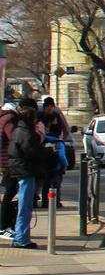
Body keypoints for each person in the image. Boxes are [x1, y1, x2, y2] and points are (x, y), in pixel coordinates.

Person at [7, 100, 49, 249]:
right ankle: (21, 239)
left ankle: (21, 237)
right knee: (25, 207)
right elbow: (32, 153)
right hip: (25, 171)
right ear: (31, 119)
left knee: (24, 206)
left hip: (21, 170)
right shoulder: (26, 133)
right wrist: (48, 151)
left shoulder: (19, 130)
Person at [38, 97, 72, 209]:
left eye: (51, 106)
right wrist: (65, 165)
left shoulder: (45, 140)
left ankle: (45, 203)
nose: (49, 108)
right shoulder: (58, 142)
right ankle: (56, 202)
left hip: (46, 166)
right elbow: (61, 155)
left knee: (46, 185)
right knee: (56, 185)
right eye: (47, 106)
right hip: (57, 167)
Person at [0, 99, 19, 240]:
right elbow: (14, 138)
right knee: (9, 194)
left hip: (4, 161)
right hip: (8, 161)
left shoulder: (3, 117)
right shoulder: (10, 118)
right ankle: (3, 226)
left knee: (8, 194)